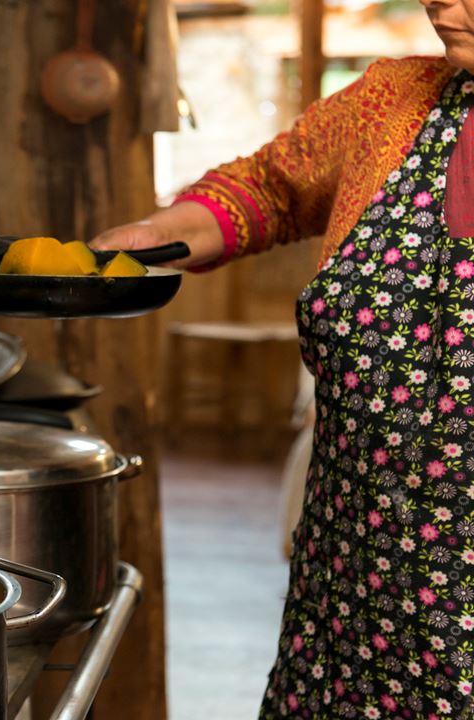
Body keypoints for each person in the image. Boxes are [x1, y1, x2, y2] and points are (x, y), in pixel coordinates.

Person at [91, 0, 474, 715]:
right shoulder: (392, 103)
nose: (439, 3)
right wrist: (153, 233)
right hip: (353, 594)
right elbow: (269, 186)